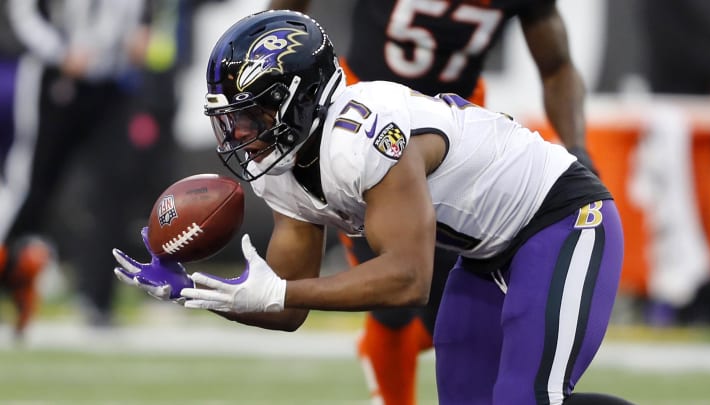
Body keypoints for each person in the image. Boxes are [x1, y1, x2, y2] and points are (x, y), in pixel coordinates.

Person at [113, 10, 632, 404]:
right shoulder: (282, 165)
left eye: (256, 113)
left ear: (301, 97)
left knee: (524, 400)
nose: (242, 134)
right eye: (233, 119)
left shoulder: (365, 134)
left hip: (561, 219)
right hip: (487, 254)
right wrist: (204, 292)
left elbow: (408, 280)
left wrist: (280, 290)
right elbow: (288, 307)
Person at [267, 0, 596, 403]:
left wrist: (578, 147)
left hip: (451, 145)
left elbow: (557, 65)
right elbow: (282, 23)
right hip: (357, 140)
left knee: (447, 312)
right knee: (393, 300)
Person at [2, 0, 150, 332]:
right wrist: (59, 51)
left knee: (113, 189)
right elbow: (22, 12)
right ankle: (8, 277)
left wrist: (142, 29)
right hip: (56, 79)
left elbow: (143, 11)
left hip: (112, 84)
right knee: (33, 185)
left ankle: (98, 300)